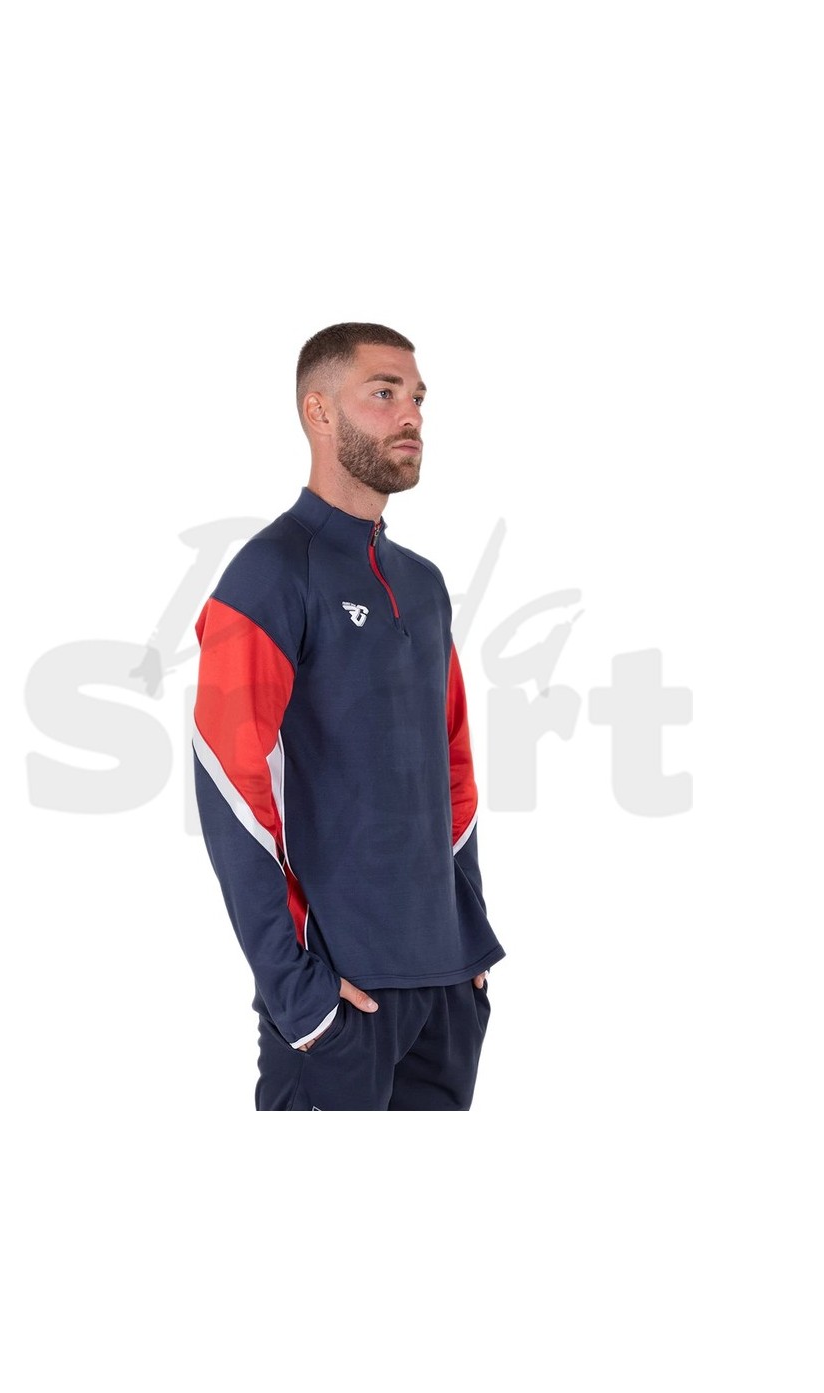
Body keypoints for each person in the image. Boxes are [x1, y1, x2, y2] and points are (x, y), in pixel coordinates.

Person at [192, 322, 505, 1110]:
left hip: (445, 992)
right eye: (384, 393)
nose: (412, 416)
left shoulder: (423, 585)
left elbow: (454, 772)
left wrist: (466, 937)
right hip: (339, 1000)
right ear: (319, 411)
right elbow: (229, 782)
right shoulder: (269, 573)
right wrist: (298, 996)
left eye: (418, 398)